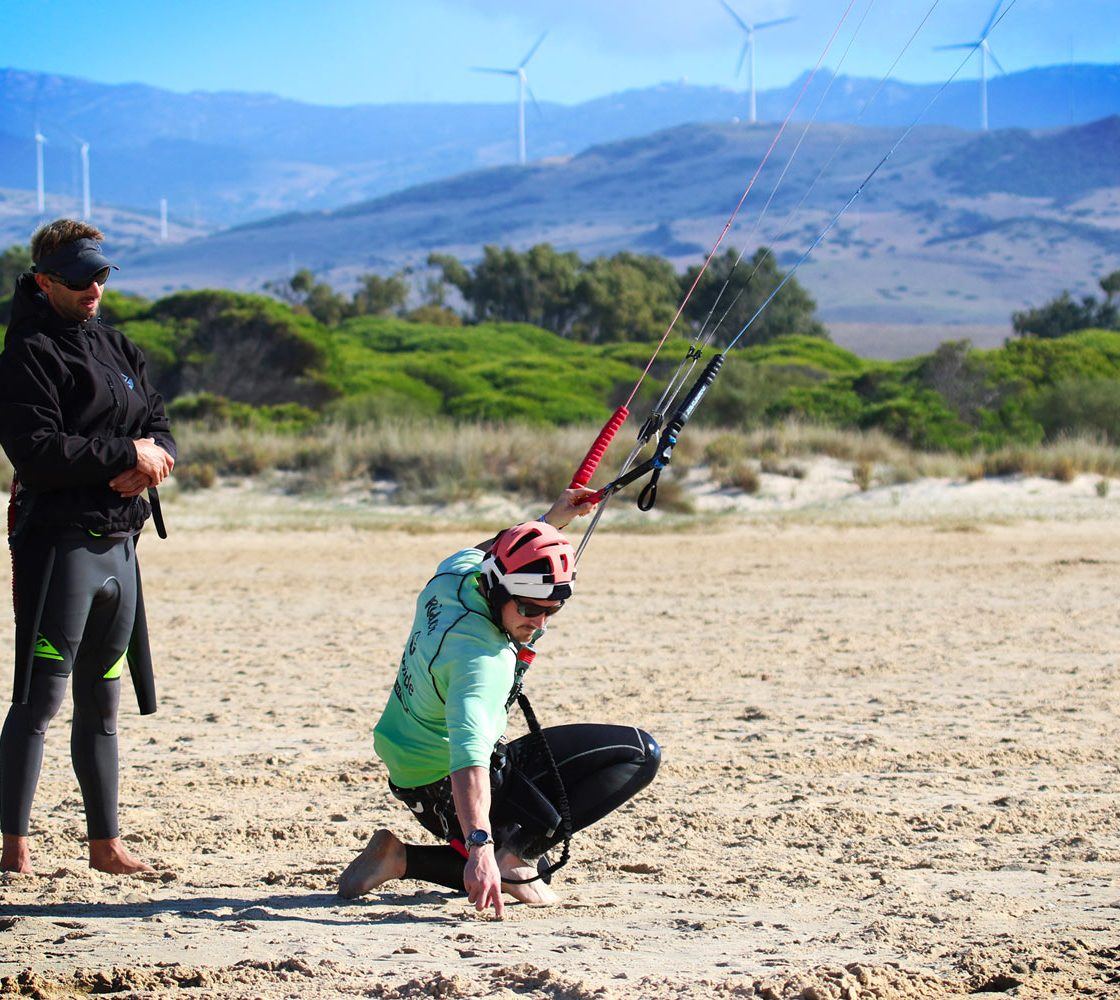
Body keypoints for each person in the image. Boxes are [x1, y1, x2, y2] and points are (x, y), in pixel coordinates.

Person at [338, 490, 661, 916]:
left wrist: (552, 520)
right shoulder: (481, 662)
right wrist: (480, 846)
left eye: (553, 611)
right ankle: (499, 860)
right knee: (526, 852)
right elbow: (468, 758)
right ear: (499, 589)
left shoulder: (455, 575)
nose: (539, 622)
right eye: (528, 608)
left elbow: (496, 549)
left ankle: (397, 856)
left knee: (634, 749)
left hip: (414, 766)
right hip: (445, 781)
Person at [0, 219, 176, 875]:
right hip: (59, 547)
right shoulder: (27, 354)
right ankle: (13, 850)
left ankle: (106, 846)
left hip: (121, 544)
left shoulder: (118, 347)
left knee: (103, 701)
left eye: (101, 275)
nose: (94, 289)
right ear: (45, 281)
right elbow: (39, 454)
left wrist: (157, 459)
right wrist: (125, 453)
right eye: (80, 280)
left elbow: (158, 424)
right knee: (40, 698)